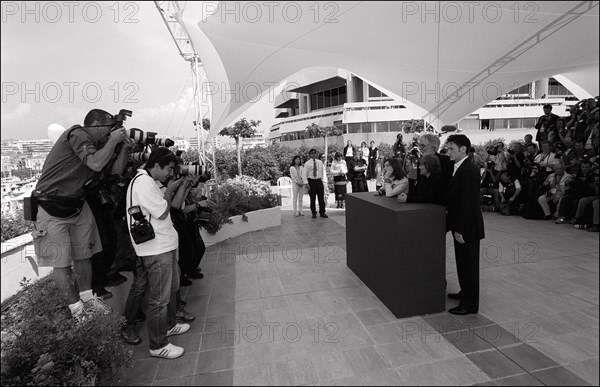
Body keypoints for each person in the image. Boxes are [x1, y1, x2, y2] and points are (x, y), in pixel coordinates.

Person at [32, 108, 128, 323]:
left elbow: (113, 172)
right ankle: (76, 309)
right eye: (108, 129)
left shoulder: (97, 147)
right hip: (51, 205)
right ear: (95, 124)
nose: (109, 133)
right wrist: (112, 141)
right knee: (62, 262)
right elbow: (94, 163)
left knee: (85, 254)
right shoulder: (77, 134)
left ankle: (87, 297)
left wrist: (121, 148)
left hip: (77, 203)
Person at [123, 147, 190, 359]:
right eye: (168, 169)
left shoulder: (150, 182)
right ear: (157, 165)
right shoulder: (143, 183)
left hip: (164, 245)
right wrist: (169, 191)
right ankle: (158, 344)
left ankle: (169, 325)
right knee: (159, 299)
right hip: (156, 249)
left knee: (171, 289)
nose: (171, 173)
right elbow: (162, 212)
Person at [445, 134, 485, 315]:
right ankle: (465, 293)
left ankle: (469, 304)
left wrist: (460, 229)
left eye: (451, 148)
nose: (448, 152)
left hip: (467, 227)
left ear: (463, 149)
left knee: (469, 265)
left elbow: (469, 203)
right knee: (462, 263)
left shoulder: (469, 169)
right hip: (461, 225)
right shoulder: (460, 167)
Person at [303, 148, 328, 218]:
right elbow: (304, 174)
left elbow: (322, 172)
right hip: (311, 181)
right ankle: (313, 212)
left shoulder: (320, 162)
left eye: (315, 153)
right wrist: (306, 183)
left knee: (321, 198)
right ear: (310, 155)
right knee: (312, 198)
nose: (313, 154)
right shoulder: (307, 163)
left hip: (319, 181)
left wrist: (323, 181)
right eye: (312, 153)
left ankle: (322, 212)